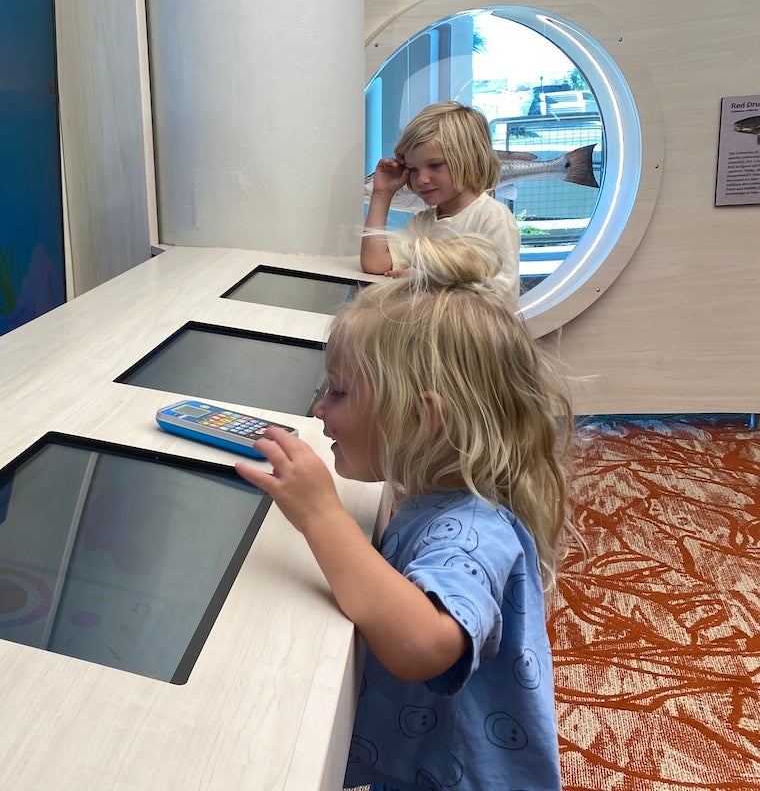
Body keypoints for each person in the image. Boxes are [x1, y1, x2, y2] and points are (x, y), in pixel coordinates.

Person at [236, 233, 572, 790]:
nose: (319, 408)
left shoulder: (473, 528)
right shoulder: (428, 492)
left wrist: (321, 516)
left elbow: (424, 646)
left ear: (422, 419)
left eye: (339, 392)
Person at [362, 102, 521, 305]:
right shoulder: (423, 222)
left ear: (470, 159)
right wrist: (381, 194)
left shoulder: (492, 216)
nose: (421, 180)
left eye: (435, 165)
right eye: (413, 169)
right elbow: (374, 263)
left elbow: (502, 299)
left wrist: (427, 284)